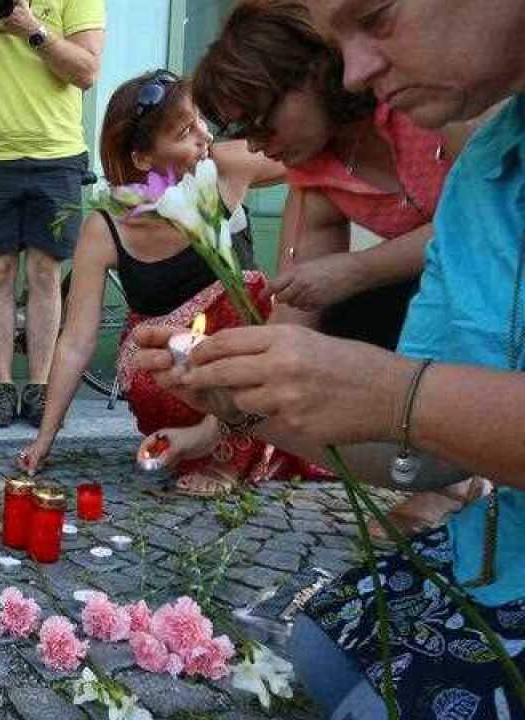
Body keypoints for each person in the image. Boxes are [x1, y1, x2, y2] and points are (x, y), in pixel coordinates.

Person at [131, 0, 525, 714]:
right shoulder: (486, 174)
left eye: (376, 16)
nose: (357, 68)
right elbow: (428, 448)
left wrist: (399, 393)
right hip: (507, 531)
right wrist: (247, 405)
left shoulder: (449, 131)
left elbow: (409, 404)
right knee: (317, 647)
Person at [190, 0, 489, 536]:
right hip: (436, 291)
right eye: (239, 129)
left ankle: (472, 473)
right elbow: (296, 315)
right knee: (334, 307)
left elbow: (488, 223)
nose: (257, 143)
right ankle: (443, 479)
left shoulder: (416, 104)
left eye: (261, 119)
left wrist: (357, 271)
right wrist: (233, 403)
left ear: (313, 74)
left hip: (495, 278)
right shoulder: (315, 171)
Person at [17, 70, 293, 497]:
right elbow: (75, 341)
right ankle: (193, 442)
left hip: (243, 355)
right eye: (186, 131)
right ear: (144, 158)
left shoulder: (224, 167)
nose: (204, 136)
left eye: (202, 120)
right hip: (175, 371)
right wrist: (45, 438)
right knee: (145, 362)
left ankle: (227, 456)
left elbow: (309, 157)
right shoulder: (106, 225)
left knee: (249, 294)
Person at [0, 0, 105, 428]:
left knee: (45, 273)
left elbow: (86, 72)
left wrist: (32, 29)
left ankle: (38, 387)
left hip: (59, 157)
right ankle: (2, 389)